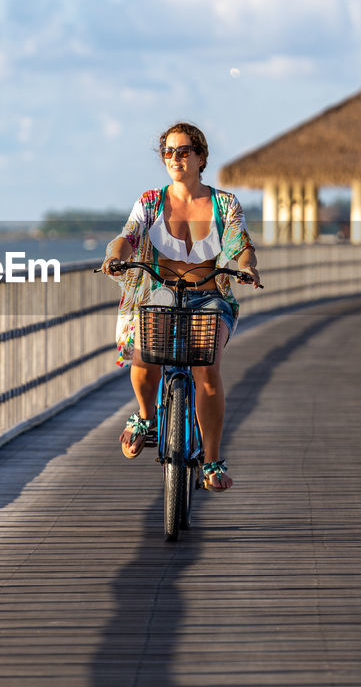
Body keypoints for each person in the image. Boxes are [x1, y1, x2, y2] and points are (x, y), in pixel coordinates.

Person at [100, 122, 261, 492]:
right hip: (160, 294)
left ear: (201, 157)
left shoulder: (224, 204)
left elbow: (241, 244)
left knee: (207, 371)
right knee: (144, 363)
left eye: (184, 151)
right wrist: (115, 257)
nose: (175, 158)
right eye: (168, 151)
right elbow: (128, 237)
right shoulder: (151, 202)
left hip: (209, 297)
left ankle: (212, 461)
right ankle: (144, 417)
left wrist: (247, 266)